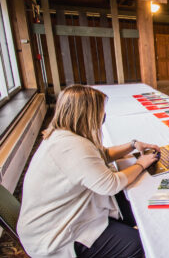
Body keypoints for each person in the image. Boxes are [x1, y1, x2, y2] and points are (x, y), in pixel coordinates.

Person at [17, 85, 160, 258]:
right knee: (138, 244)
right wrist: (141, 164)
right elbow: (111, 184)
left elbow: (101, 154)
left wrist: (132, 145)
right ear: (89, 114)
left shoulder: (63, 135)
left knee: (134, 206)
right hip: (57, 237)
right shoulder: (71, 146)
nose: (103, 117)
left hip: (60, 218)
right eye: (101, 112)